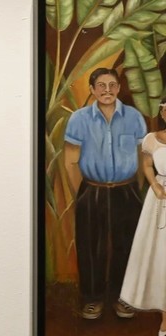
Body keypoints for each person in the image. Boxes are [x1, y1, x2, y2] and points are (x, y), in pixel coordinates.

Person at [64, 67, 147, 320]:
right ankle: (92, 299)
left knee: (127, 245)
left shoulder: (134, 117)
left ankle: (123, 298)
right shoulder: (79, 119)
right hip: (92, 189)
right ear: (92, 89)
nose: (107, 90)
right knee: (91, 246)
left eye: (112, 85)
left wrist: (136, 190)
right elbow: (70, 161)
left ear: (119, 88)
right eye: (101, 85)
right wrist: (82, 193)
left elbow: (141, 157)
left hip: (127, 190)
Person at [118, 99, 166, 336]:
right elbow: (147, 165)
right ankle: (165, 315)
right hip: (160, 198)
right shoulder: (152, 139)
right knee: (160, 255)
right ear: (163, 112)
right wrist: (155, 185)